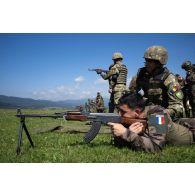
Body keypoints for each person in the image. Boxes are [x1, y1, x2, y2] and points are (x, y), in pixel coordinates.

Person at [108, 93, 195, 153]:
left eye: (123, 111)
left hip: (190, 134)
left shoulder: (158, 115)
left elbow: (155, 148)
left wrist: (126, 133)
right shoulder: (130, 118)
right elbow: (120, 144)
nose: (120, 114)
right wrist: (124, 135)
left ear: (137, 111)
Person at [130, 45, 184, 121]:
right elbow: (132, 96)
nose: (146, 64)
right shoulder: (141, 76)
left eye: (149, 61)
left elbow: (178, 107)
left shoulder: (169, 79)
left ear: (159, 62)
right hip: (142, 115)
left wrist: (159, 114)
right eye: (146, 60)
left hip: (162, 118)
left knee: (156, 131)